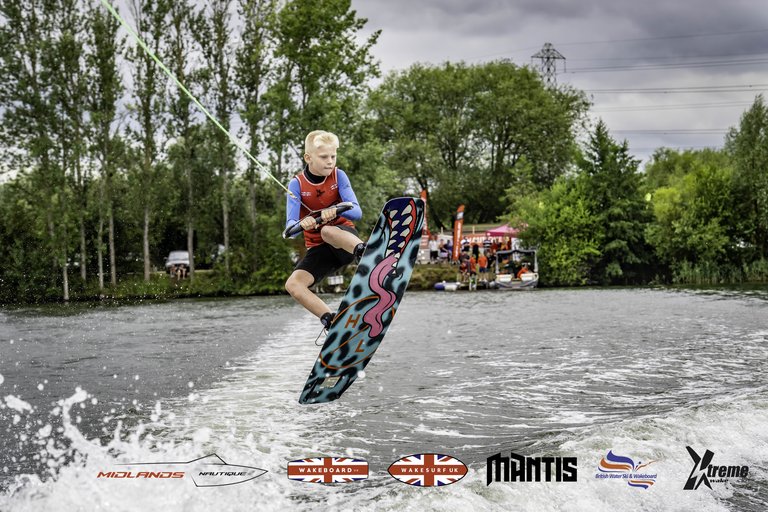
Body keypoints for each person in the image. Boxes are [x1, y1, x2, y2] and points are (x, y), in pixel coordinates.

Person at [284, 130, 365, 330]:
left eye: (333, 156)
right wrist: (301, 224)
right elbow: (289, 229)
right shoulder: (296, 184)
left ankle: (366, 254)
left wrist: (336, 210)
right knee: (293, 285)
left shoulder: (339, 176)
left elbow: (357, 211)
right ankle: (331, 321)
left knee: (327, 231)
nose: (330, 161)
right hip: (319, 250)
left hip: (345, 242)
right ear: (308, 157)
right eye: (324, 157)